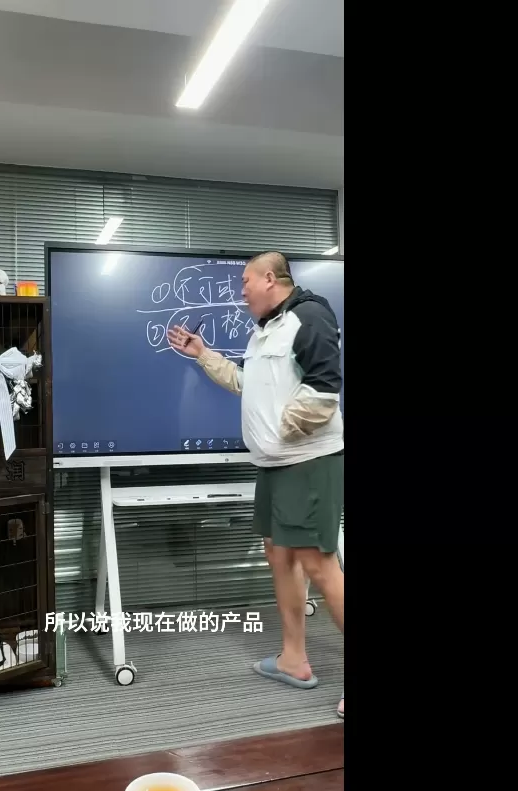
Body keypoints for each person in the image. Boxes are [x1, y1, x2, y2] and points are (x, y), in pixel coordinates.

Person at [167, 251, 345, 719]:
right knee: (279, 553)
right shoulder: (265, 329)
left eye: (246, 281)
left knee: (319, 563)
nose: (241, 292)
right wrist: (204, 355)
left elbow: (324, 390)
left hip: (306, 462)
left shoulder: (309, 316)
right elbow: (251, 385)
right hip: (274, 465)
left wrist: (277, 433)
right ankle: (293, 659)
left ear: (270, 278)